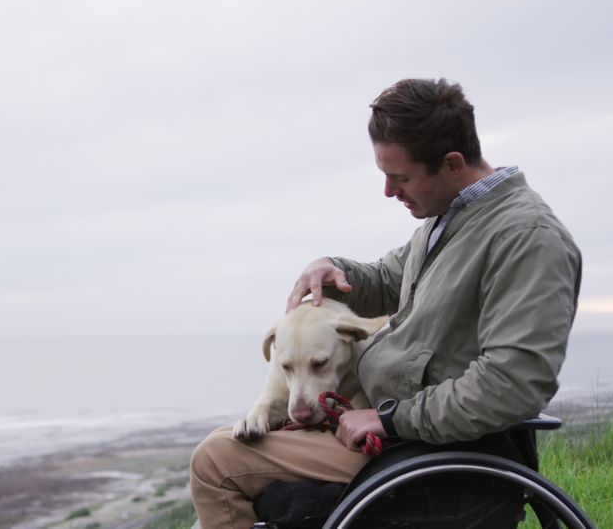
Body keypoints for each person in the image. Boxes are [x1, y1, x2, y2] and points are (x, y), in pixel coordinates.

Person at [189, 78, 582, 529]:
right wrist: (332, 268)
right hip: (392, 431)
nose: (388, 192)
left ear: (452, 164)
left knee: (215, 462)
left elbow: (513, 387)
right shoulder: (451, 222)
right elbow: (385, 279)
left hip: (430, 449)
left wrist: (389, 420)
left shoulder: (525, 238)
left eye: (400, 177)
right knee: (230, 438)